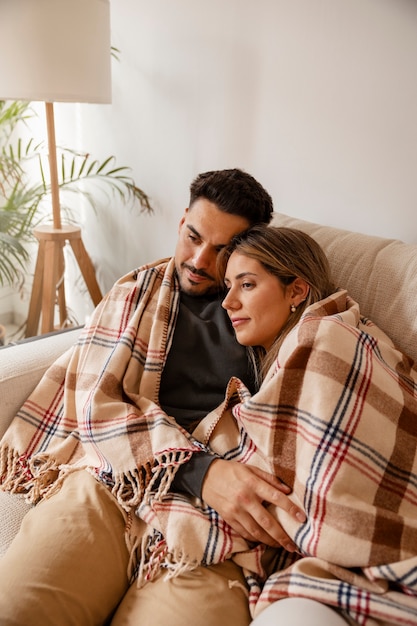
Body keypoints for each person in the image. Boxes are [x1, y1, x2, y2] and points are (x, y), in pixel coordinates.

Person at [0, 169, 306, 626]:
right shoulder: (136, 294)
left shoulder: (269, 311)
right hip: (112, 479)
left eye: (223, 250)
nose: (200, 260)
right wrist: (199, 472)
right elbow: (95, 403)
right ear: (181, 220)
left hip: (213, 522)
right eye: (193, 236)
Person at [209, 224, 417, 625]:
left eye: (247, 285)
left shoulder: (328, 336)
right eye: (227, 288)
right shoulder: (275, 363)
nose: (228, 302)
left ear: (296, 291)